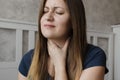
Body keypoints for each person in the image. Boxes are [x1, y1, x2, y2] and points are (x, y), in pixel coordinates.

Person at [18, 0, 108, 80]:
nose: (48, 17)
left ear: (74, 21)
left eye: (59, 12)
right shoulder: (28, 59)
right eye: (45, 11)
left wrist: (59, 65)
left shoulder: (94, 56)